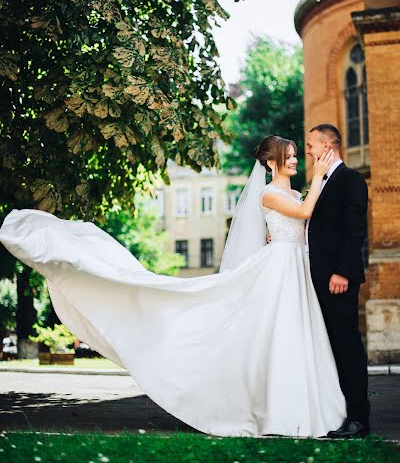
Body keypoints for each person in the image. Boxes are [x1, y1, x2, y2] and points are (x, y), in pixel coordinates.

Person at [0, 135, 346, 438]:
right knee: (266, 335)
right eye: (290, 155)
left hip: (293, 268)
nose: (297, 160)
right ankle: (267, 409)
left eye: (297, 155)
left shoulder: (294, 192)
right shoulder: (270, 194)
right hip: (278, 270)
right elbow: (304, 214)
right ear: (272, 162)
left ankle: (299, 405)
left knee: (291, 337)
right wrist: (318, 178)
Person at [305, 124, 370, 439]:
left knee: (347, 346)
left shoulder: (350, 180)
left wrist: (343, 272)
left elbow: (354, 230)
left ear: (327, 147)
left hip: (338, 280)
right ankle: (337, 411)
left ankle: (358, 418)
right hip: (318, 279)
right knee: (330, 346)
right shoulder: (320, 183)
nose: (308, 152)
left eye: (311, 146)